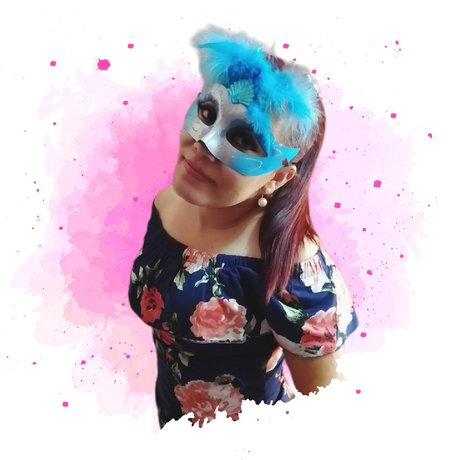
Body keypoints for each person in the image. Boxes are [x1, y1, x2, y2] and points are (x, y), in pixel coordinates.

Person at [128, 26, 358, 429]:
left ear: (278, 177)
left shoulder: (294, 271)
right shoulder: (167, 205)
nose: (204, 144)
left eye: (244, 139)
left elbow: (329, 413)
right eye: (206, 113)